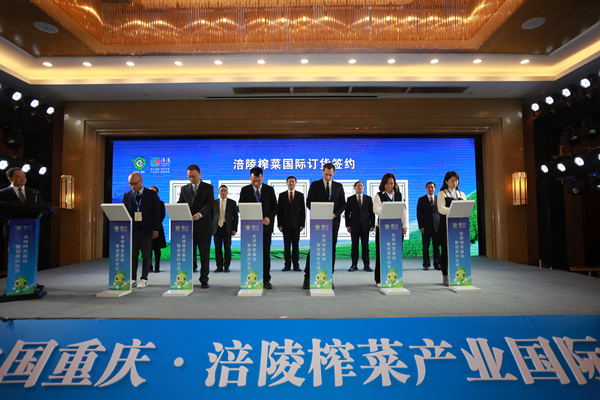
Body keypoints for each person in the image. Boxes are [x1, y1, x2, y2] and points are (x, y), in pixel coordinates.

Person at [303, 162, 346, 290]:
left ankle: (328, 277)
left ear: (334, 173)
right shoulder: (315, 185)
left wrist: (335, 214)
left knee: (331, 249)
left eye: (330, 175)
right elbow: (308, 202)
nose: (328, 177)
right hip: (318, 222)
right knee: (314, 248)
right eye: (326, 174)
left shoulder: (339, 186)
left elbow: (343, 204)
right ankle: (307, 277)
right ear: (322, 172)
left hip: (333, 222)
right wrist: (320, 211)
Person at [239, 167, 278, 289]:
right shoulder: (245, 190)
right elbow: (240, 206)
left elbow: (275, 207)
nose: (256, 184)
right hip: (250, 228)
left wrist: (269, 218)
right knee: (251, 254)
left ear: (262, 177)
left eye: (258, 181)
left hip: (265, 228)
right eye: (253, 181)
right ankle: (251, 278)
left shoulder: (269, 189)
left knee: (265, 253)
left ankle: (266, 279)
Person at [177, 164, 214, 289]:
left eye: (194, 176)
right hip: (188, 227)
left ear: (200, 174)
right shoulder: (184, 188)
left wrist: (200, 214)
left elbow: (209, 205)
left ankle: (204, 279)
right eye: (189, 176)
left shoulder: (208, 188)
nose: (191, 179)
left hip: (203, 226)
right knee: (188, 254)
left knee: (204, 254)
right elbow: (181, 203)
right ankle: (185, 279)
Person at [122, 172, 160, 288]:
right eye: (130, 184)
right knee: (133, 254)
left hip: (147, 229)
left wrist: (156, 229)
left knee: (146, 253)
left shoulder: (151, 194)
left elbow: (156, 212)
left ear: (141, 181)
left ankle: (144, 278)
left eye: (135, 183)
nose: (133, 186)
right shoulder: (127, 195)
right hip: (133, 230)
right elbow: (124, 212)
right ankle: (132, 278)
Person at [373, 173, 408, 287]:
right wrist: (389, 210)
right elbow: (376, 209)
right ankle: (380, 279)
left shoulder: (398, 195)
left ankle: (395, 277)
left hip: (397, 228)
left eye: (392, 183)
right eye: (387, 183)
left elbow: (403, 211)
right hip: (383, 229)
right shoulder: (379, 195)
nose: (390, 185)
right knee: (381, 253)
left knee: (395, 253)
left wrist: (404, 226)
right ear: (383, 184)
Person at [437, 171, 466, 287]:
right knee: (445, 252)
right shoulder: (442, 193)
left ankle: (459, 275)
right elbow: (441, 209)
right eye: (452, 180)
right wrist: (454, 210)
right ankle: (445, 276)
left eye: (456, 180)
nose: (455, 183)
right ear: (446, 181)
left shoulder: (461, 194)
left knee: (458, 251)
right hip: (446, 226)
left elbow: (465, 208)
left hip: (460, 226)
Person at [277, 176, 306, 272]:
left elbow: (303, 211)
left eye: (293, 182)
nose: (291, 183)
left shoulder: (300, 195)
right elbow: (279, 211)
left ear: (295, 183)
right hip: (285, 225)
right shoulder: (281, 195)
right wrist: (279, 224)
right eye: (289, 182)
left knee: (296, 246)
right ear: (286, 183)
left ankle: (296, 265)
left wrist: (302, 224)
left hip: (296, 225)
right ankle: (287, 265)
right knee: (286, 246)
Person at [345, 181, 375, 272]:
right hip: (354, 226)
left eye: (361, 186)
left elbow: (372, 212)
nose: (360, 187)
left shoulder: (368, 198)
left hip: (365, 225)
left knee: (365, 246)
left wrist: (372, 224)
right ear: (354, 188)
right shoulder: (350, 199)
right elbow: (347, 213)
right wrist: (348, 225)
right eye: (358, 186)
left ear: (363, 188)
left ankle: (367, 265)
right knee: (354, 246)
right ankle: (354, 265)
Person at [212, 185, 238, 273]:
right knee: (217, 248)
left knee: (227, 248)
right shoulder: (214, 202)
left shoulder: (232, 202)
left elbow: (235, 217)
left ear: (227, 192)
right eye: (221, 191)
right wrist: (211, 229)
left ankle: (226, 266)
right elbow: (211, 216)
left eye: (225, 191)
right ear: (218, 192)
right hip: (217, 228)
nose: (223, 192)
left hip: (227, 228)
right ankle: (219, 266)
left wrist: (234, 229)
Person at [416, 182, 441, 271]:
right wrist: (421, 226)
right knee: (425, 247)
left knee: (436, 247)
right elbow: (419, 214)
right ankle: (426, 264)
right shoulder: (421, 199)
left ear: (435, 189)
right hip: (425, 227)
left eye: (432, 187)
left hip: (437, 227)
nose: (430, 189)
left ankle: (437, 264)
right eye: (429, 187)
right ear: (426, 188)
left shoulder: (439, 199)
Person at [148, 186, 166, 273]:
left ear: (157, 193)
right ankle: (149, 266)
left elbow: (162, 216)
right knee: (148, 248)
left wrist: (155, 226)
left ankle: (157, 266)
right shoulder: (145, 202)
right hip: (147, 228)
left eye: (154, 192)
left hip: (157, 228)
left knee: (157, 248)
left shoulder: (161, 203)